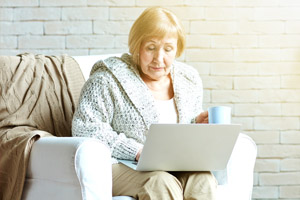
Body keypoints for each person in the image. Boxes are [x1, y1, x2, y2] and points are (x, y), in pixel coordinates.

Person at [72, 6, 217, 200]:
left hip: (173, 164)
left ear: (177, 50)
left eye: (168, 49)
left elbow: (181, 128)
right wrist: (137, 151)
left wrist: (198, 123)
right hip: (121, 164)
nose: (159, 58)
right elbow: (86, 129)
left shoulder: (188, 79)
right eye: (151, 48)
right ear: (137, 46)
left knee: (203, 180)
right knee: (160, 182)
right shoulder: (107, 79)